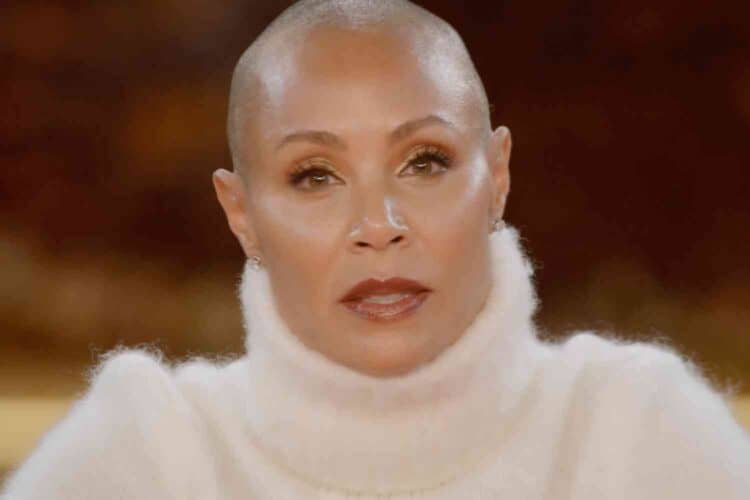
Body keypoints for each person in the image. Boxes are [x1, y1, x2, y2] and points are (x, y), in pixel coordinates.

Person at [3, 0, 749, 498]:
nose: (379, 224)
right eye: (314, 175)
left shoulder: (637, 433)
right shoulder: (151, 456)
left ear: (497, 176)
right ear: (242, 214)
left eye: (424, 161)